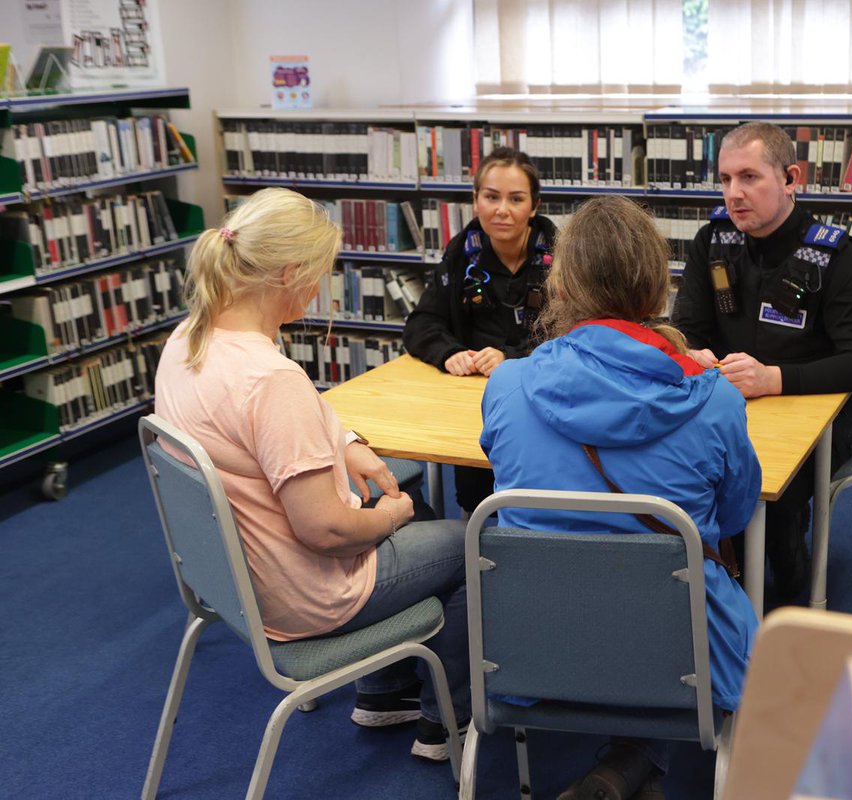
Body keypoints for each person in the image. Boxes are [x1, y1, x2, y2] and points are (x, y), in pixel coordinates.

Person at [153, 188, 470, 762]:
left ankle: (384, 692)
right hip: (309, 594)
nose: (320, 289)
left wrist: (345, 444)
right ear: (291, 273)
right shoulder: (270, 378)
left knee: (412, 506)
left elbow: (259, 432)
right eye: (319, 275)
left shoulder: (188, 342)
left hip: (240, 585)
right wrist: (388, 516)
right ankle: (447, 722)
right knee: (471, 544)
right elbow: (324, 531)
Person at [480, 196, 762, 800]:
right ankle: (647, 760)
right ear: (657, 287)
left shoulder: (507, 386)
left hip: (533, 644)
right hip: (681, 654)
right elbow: (736, 517)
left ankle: (621, 762)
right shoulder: (714, 400)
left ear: (563, 286)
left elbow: (505, 486)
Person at [671, 122, 852, 602]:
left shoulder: (836, 255)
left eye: (749, 177)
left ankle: (791, 610)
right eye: (725, 180)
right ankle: (708, 594)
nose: (734, 193)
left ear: (791, 178)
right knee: (677, 465)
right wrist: (686, 349)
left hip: (826, 415)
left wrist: (774, 379)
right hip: (730, 402)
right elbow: (684, 330)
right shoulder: (714, 243)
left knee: (774, 488)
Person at [403, 146, 556, 514]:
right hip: (473, 408)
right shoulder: (462, 254)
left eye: (515, 199)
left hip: (542, 401)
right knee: (476, 503)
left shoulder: (560, 257)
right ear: (475, 201)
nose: (502, 210)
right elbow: (421, 323)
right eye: (491, 197)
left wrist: (513, 358)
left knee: (534, 502)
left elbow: (575, 336)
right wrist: (449, 352)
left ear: (534, 206)